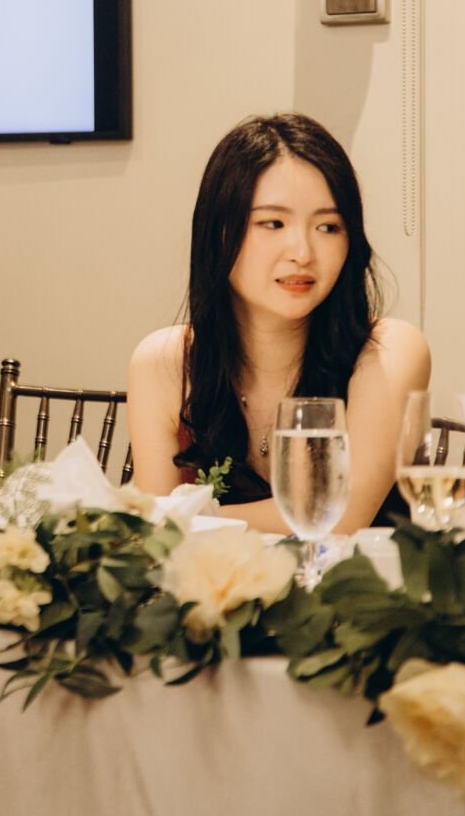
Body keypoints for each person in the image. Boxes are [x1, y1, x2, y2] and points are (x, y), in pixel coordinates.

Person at [125, 114, 430, 535]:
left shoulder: (390, 350)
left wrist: (185, 518)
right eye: (273, 223)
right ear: (218, 232)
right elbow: (153, 543)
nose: (302, 252)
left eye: (328, 227)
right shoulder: (163, 362)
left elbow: (338, 516)